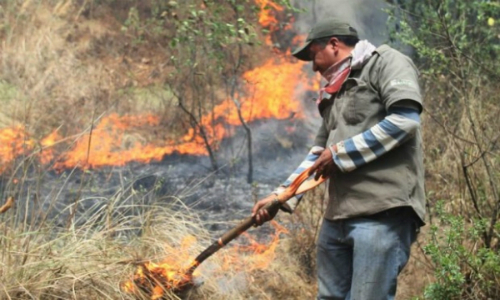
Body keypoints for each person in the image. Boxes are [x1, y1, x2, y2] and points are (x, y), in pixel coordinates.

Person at [251, 18, 425, 300]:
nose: (314, 66)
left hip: (382, 213)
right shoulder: (335, 91)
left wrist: (340, 152)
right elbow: (319, 154)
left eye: (313, 56)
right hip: (338, 218)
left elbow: (405, 121)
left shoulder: (387, 62)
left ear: (333, 44)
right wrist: (279, 197)